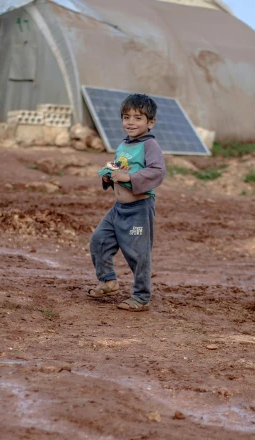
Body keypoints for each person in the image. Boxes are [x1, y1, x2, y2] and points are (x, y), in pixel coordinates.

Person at [87, 93, 166, 311]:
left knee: (138, 254)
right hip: (118, 209)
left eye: (137, 118)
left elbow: (157, 172)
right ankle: (107, 281)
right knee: (99, 241)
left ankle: (141, 297)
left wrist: (129, 178)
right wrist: (109, 175)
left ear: (151, 122)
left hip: (138, 209)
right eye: (126, 117)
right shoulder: (123, 145)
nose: (130, 122)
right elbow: (120, 169)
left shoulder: (150, 145)